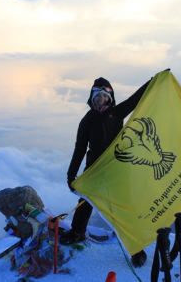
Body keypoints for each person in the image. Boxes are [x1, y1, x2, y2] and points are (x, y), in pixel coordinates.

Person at [60, 76, 150, 267]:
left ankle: (136, 249)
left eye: (105, 97)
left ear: (110, 98)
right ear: (92, 99)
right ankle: (77, 233)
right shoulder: (87, 120)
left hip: (117, 169)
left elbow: (136, 99)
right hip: (94, 169)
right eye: (97, 98)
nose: (101, 101)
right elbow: (79, 149)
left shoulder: (117, 113)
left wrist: (154, 80)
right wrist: (71, 175)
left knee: (123, 208)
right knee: (86, 200)